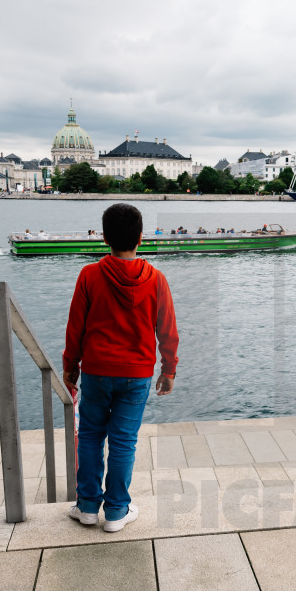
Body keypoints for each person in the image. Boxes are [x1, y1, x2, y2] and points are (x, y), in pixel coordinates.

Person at [62, 203, 178, 532]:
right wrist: (169, 369)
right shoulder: (156, 279)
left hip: (97, 370)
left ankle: (86, 507)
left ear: (104, 238)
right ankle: (115, 512)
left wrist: (71, 366)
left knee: (90, 436)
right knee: (124, 442)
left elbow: (75, 328)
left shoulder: (90, 275)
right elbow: (167, 330)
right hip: (137, 373)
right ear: (140, 238)